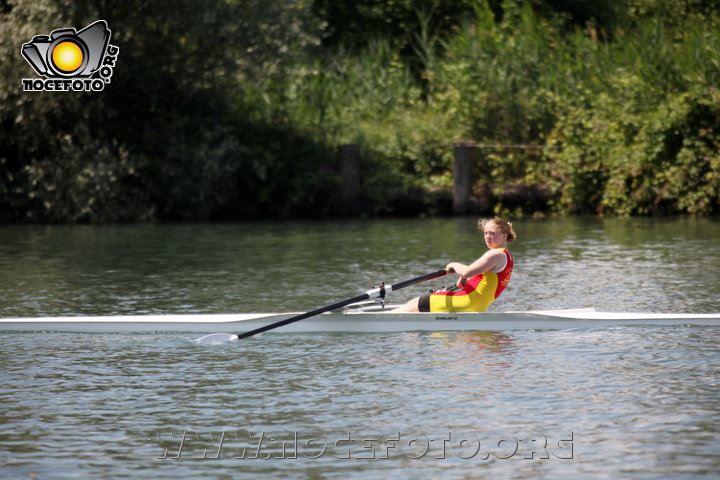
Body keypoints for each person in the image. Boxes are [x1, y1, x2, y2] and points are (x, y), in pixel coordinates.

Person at [394, 217, 516, 312]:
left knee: (419, 302)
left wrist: (454, 265)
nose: (487, 237)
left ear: (504, 236)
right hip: (476, 304)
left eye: (492, 233)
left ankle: (383, 319)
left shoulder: (495, 254)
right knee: (415, 304)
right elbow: (484, 279)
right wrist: (465, 279)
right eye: (485, 233)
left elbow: (468, 271)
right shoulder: (507, 256)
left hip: (466, 301)